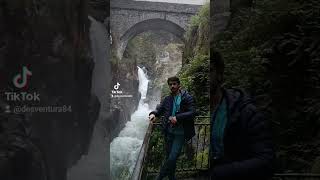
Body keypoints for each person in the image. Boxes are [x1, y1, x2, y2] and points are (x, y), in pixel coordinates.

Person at [209, 50, 275, 180]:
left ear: (219, 74)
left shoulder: (245, 111)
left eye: (209, 71)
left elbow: (267, 160)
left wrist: (220, 173)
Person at [148, 76, 196, 180]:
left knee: (173, 157)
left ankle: (159, 177)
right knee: (170, 158)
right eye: (170, 84)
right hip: (169, 132)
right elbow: (159, 110)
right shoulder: (167, 99)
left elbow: (192, 112)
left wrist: (177, 117)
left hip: (180, 133)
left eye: (174, 84)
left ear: (179, 85)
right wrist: (153, 114)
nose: (172, 86)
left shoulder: (187, 97)